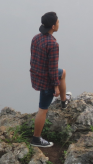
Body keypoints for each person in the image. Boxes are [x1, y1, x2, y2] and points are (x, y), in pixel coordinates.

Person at [29, 11, 69, 148]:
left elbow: (34, 59)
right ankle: (36, 139)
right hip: (46, 80)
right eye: (57, 22)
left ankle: (64, 102)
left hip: (36, 75)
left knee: (62, 72)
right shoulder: (52, 44)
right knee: (43, 109)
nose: (59, 24)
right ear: (53, 26)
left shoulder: (36, 38)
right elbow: (52, 68)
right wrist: (55, 87)